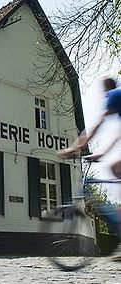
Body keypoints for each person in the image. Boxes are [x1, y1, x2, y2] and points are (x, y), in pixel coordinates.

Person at [58, 77, 121, 261]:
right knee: (115, 168)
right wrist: (100, 154)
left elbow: (97, 126)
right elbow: (118, 136)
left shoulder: (113, 95)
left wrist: (74, 147)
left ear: (106, 88)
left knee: (115, 169)